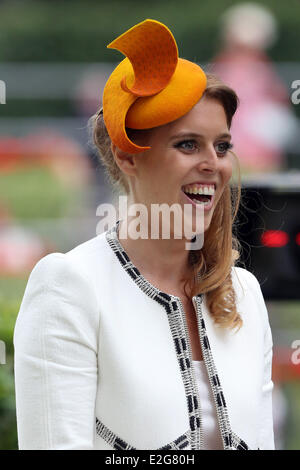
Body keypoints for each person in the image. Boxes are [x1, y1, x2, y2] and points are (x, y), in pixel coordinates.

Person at [13, 19, 275, 450]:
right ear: (127, 157)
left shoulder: (244, 291)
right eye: (188, 144)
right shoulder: (70, 285)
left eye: (223, 146)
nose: (215, 163)